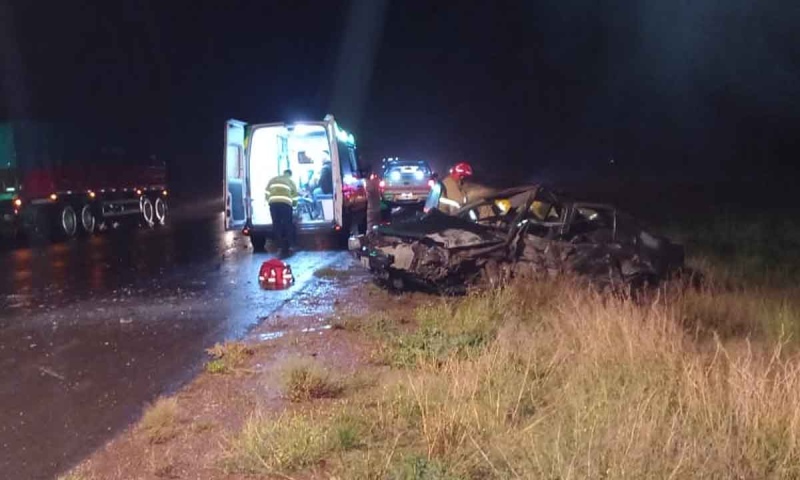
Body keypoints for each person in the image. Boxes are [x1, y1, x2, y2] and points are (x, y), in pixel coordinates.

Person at [265, 169, 298, 256]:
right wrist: (294, 206)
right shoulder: (290, 181)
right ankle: (291, 246)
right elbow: (295, 196)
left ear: (283, 173)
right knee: (288, 224)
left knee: (276, 224)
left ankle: (280, 246)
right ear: (290, 175)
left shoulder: (273, 179)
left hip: (273, 204)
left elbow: (267, 192)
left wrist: (270, 201)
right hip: (286, 204)